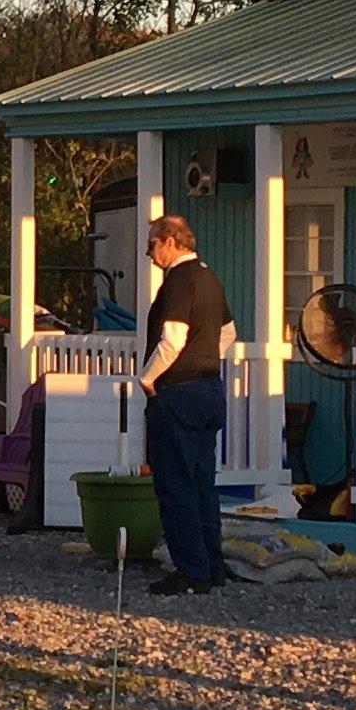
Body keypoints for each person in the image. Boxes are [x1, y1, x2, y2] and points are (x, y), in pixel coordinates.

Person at [137, 212, 232, 595]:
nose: (149, 253)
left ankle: (191, 571)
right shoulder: (209, 277)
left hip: (177, 393)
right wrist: (206, 357)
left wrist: (148, 377)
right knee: (202, 484)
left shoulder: (178, 280)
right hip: (209, 389)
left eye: (152, 245)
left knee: (175, 485)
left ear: (170, 241)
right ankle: (212, 565)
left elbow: (173, 339)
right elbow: (228, 333)